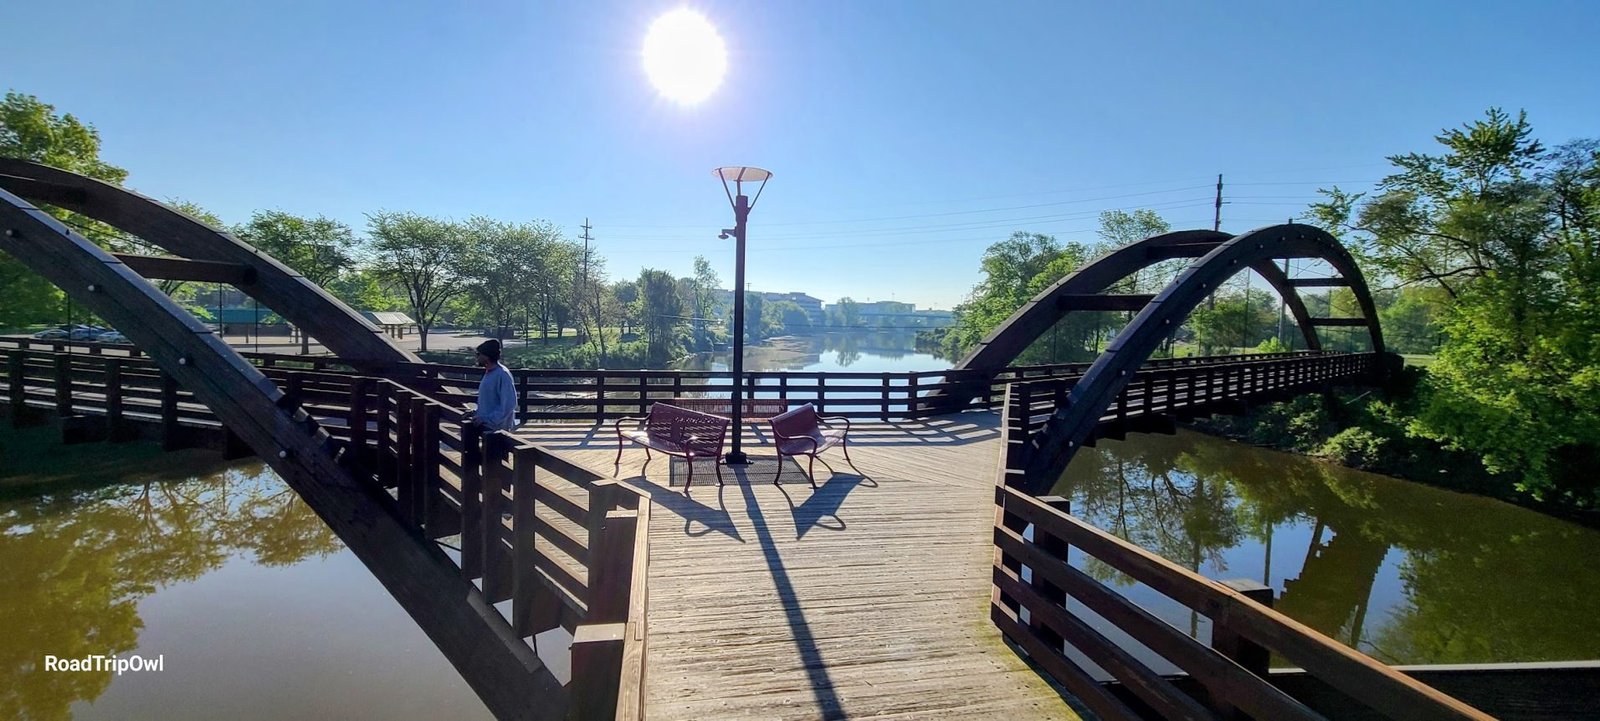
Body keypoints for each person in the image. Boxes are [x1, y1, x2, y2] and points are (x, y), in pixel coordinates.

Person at [464, 339, 518, 434]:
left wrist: (488, 419)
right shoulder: (489, 373)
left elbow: (509, 405)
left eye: (478, 354)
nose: (477, 357)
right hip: (487, 428)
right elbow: (490, 403)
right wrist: (476, 412)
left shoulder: (502, 374)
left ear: (487, 356)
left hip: (498, 432)